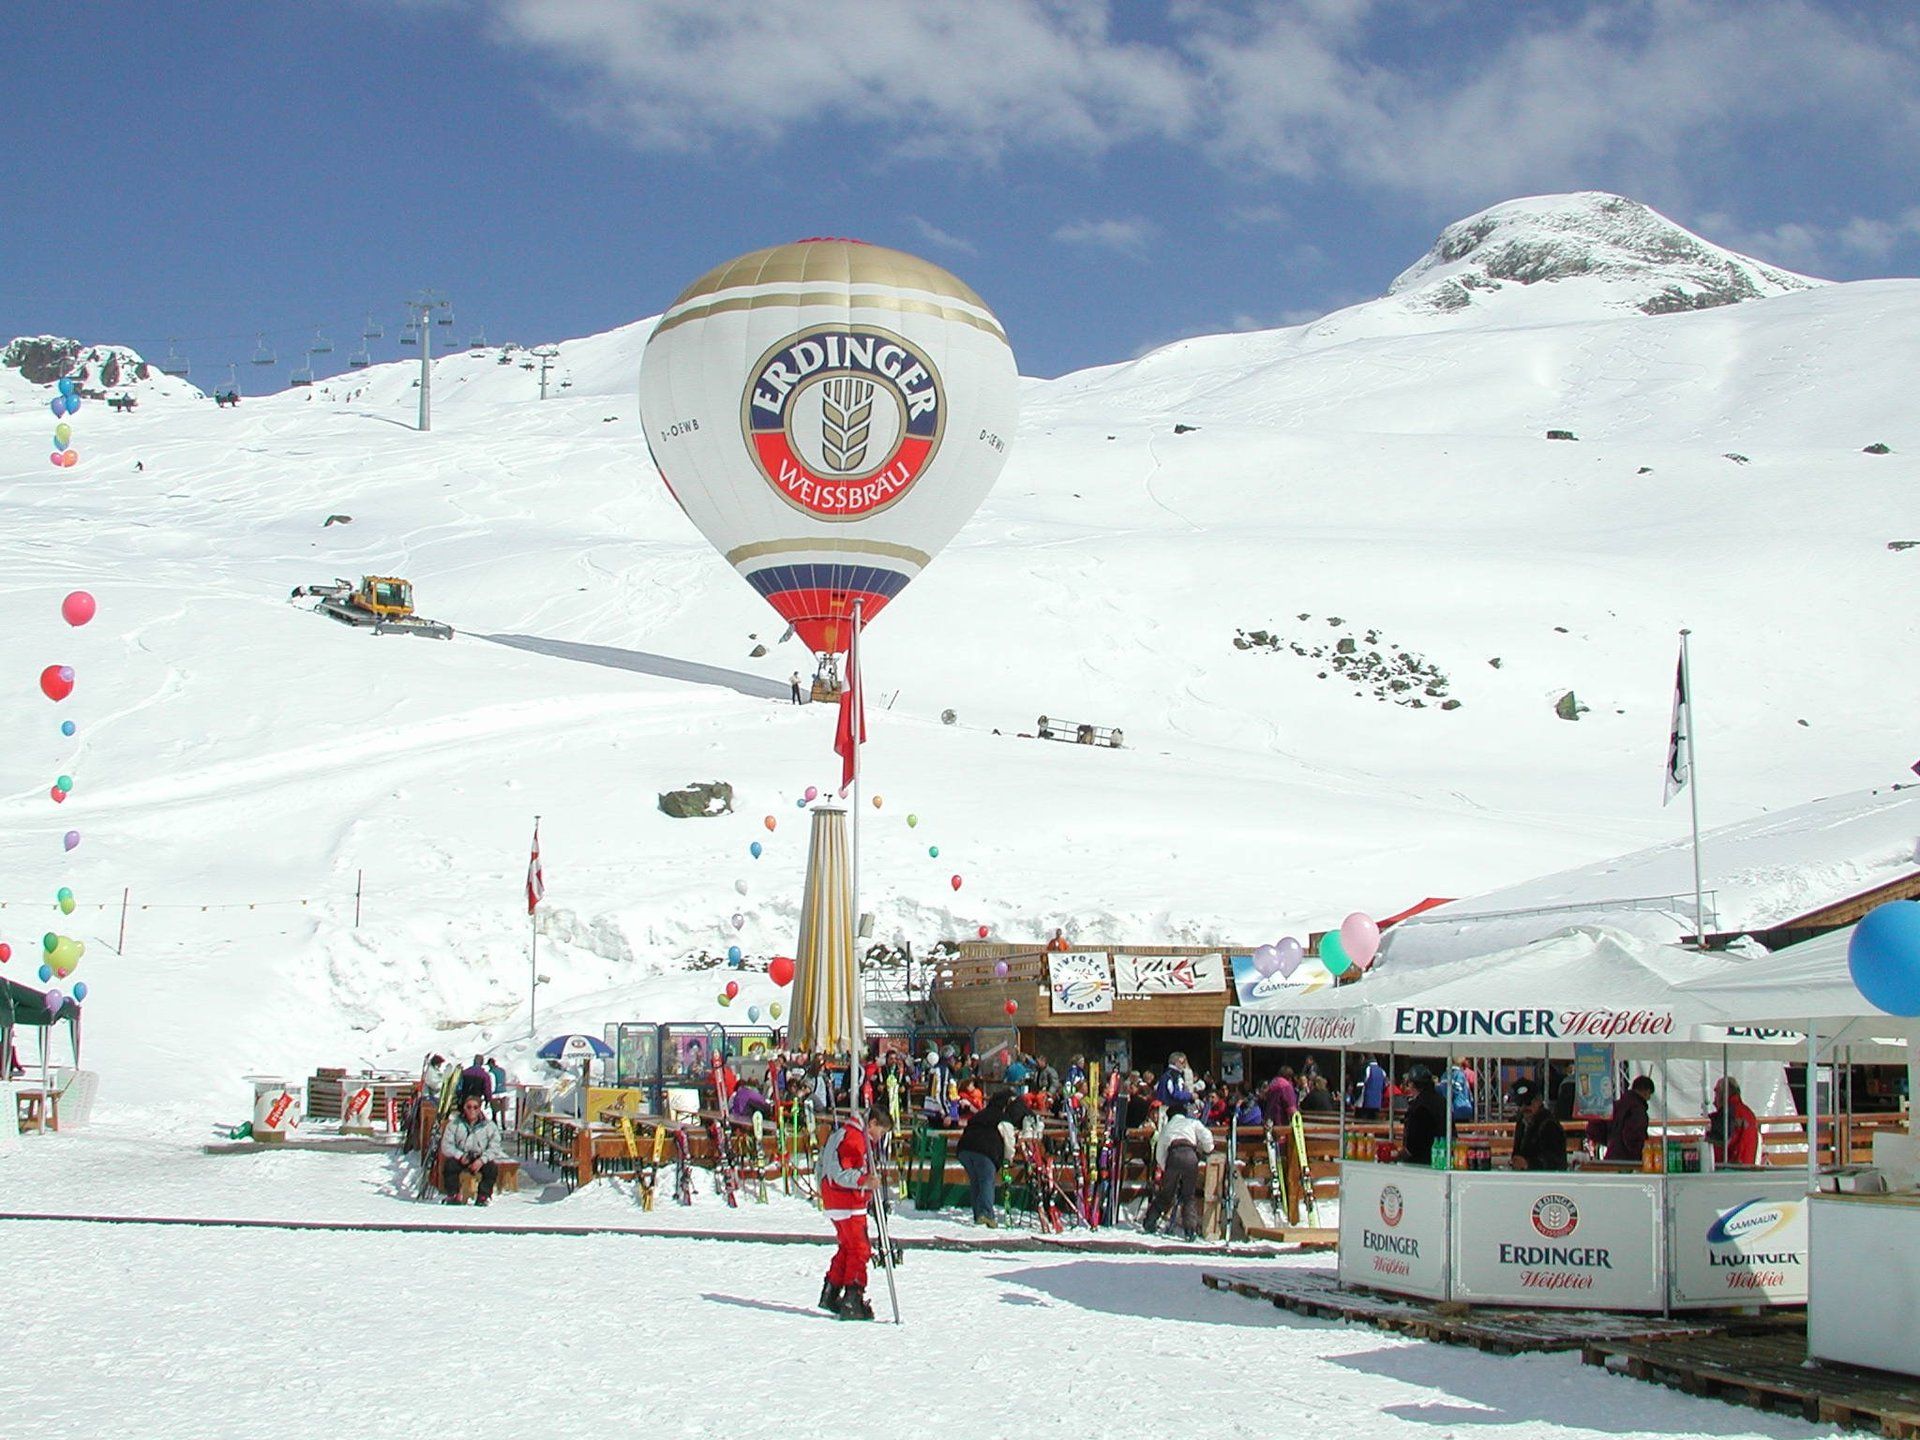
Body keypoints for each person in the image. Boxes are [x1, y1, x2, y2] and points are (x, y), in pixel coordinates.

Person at [816, 1107, 890, 1320]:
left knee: (848, 1247)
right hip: (847, 1201)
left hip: (836, 1200)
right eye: (881, 1132)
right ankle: (853, 1297)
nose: (879, 1137)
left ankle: (831, 1291)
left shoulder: (844, 1133)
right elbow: (841, 1172)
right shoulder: (854, 1138)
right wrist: (864, 1181)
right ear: (872, 1123)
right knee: (860, 1249)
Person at [1141, 1100, 1214, 1239]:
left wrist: (1165, 1168)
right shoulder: (1191, 1122)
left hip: (1173, 1156)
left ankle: (1149, 1222)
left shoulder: (1167, 1127)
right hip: (1191, 1156)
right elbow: (1206, 1136)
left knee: (1167, 1194)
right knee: (1188, 1195)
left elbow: (1160, 1153)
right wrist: (1208, 1149)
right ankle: (1190, 1231)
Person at [956, 1090, 1024, 1226]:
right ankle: (986, 1215)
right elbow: (1009, 1141)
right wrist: (1008, 1159)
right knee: (987, 1182)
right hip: (985, 1151)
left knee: (976, 1182)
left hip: (964, 1149)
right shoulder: (1003, 1118)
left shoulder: (980, 1114)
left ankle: (978, 1215)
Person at [438, 1093, 506, 1205]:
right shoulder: (454, 1124)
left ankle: (483, 1196)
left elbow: (495, 1146)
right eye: (469, 1107)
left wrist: (482, 1160)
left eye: (475, 1107)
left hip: (480, 1157)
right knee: (449, 1165)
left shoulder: (489, 1126)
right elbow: (446, 1145)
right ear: (464, 1107)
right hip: (461, 1156)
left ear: (480, 1109)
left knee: (491, 1169)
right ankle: (453, 1194)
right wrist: (460, 1156)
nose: (472, 1110)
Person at [1509, 1078, 1568, 1171]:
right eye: (1520, 1103)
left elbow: (1555, 1162)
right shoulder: (1521, 1122)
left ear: (1539, 1100)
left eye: (1528, 1102)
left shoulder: (1550, 1125)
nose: (1524, 1107)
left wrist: (1528, 1164)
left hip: (1546, 1181)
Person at [1398, 1066, 1446, 1165]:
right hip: (1442, 1157)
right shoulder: (1441, 1100)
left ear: (1412, 1084)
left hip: (1420, 1161)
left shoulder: (1419, 1106)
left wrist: (1398, 1155)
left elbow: (1413, 1144)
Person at [1709, 1077, 1760, 1166]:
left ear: (1724, 1093)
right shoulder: (1748, 1113)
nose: (1714, 1100)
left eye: (1716, 1092)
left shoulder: (1728, 1113)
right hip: (1747, 1167)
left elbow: (1716, 1149)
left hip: (1732, 1169)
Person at [1604, 1076, 1655, 1163]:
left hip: (1611, 1155)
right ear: (1646, 1091)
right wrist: (1638, 1154)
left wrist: (1608, 1142)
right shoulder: (1637, 1111)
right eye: (1649, 1094)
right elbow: (1633, 1135)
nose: (1649, 1098)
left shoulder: (1616, 1105)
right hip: (1627, 1160)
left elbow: (1596, 1127)